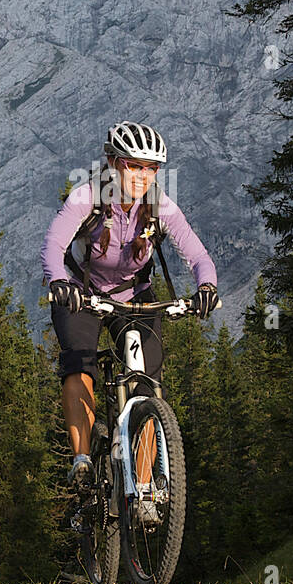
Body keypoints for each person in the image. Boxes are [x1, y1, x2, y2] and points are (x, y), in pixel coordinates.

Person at [42, 121, 218, 495]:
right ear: (111, 162)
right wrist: (58, 282)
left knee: (149, 384)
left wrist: (207, 286)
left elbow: (197, 253)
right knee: (80, 363)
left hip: (135, 296)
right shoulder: (85, 197)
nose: (142, 175)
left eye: (151, 168)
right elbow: (53, 245)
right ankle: (83, 460)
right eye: (133, 165)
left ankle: (144, 490)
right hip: (82, 293)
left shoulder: (160, 206)